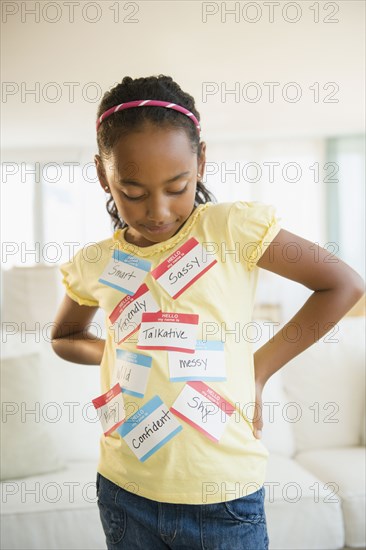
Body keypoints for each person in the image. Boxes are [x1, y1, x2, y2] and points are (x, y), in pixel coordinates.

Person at [51, 75, 364, 550]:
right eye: (132, 192)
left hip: (222, 495)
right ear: (101, 175)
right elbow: (64, 336)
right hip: (123, 489)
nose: (158, 211)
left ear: (200, 161)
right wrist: (117, 351)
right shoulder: (95, 263)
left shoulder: (230, 229)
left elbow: (343, 285)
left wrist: (257, 371)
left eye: (177, 186)